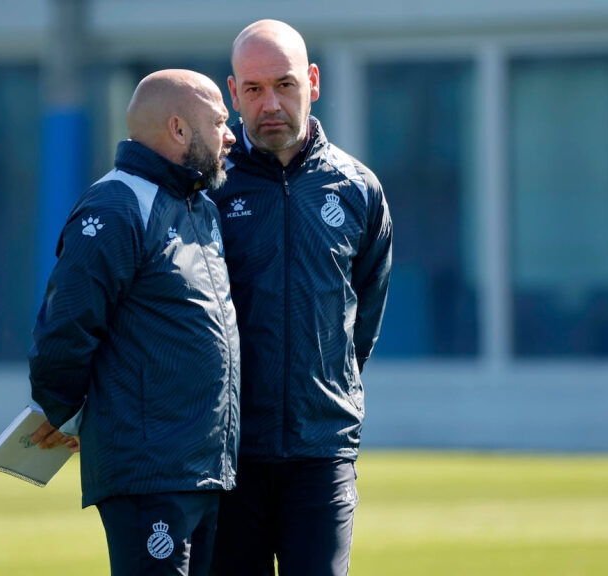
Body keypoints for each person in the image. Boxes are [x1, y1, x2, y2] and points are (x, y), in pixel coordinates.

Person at [27, 69, 240, 576]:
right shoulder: (117, 204)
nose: (231, 136)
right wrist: (61, 409)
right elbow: (67, 324)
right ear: (179, 130)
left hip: (203, 471)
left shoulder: (198, 206)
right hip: (151, 473)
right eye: (218, 122)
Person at [208, 19, 392, 576]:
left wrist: (326, 390)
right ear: (234, 93)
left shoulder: (359, 190)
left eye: (284, 85)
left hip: (321, 453)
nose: (270, 103)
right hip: (228, 455)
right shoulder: (206, 190)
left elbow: (363, 322)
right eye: (255, 88)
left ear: (312, 81)